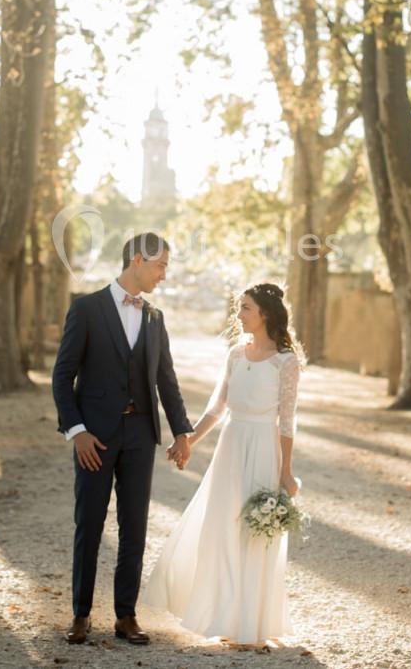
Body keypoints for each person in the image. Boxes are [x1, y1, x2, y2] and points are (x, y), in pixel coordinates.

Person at [50, 232, 195, 646]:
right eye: (160, 265)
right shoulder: (86, 309)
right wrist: (76, 431)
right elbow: (62, 377)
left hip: (139, 435)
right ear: (136, 260)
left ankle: (126, 616)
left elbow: (166, 379)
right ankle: (80, 615)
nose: (164, 275)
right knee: (89, 525)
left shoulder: (155, 317)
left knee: (134, 529)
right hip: (93, 438)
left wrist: (181, 431)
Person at [141, 282, 303, 647]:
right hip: (230, 448)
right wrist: (187, 441)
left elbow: (287, 422)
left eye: (245, 307)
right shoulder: (235, 354)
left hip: (263, 449)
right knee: (222, 527)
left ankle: (252, 624)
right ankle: (224, 616)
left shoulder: (286, 362)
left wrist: (285, 471)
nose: (239, 314)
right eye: (239, 307)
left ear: (264, 314)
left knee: (254, 533)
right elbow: (217, 409)